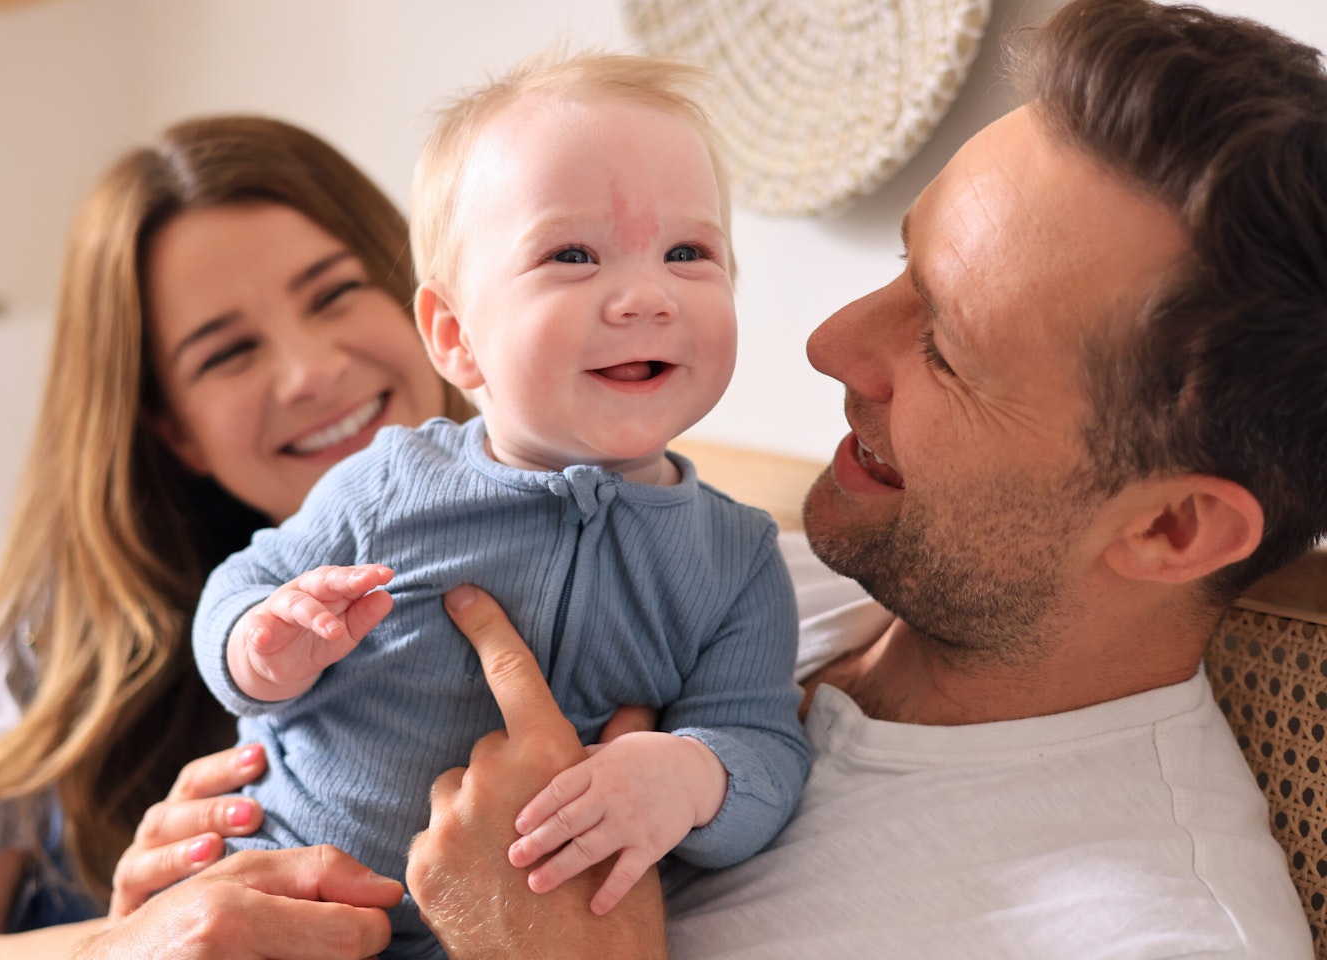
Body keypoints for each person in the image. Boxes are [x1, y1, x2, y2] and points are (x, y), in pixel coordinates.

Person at [402, 1, 1327, 957]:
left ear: (1172, 527)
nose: (828, 344)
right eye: (902, 259)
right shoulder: (731, 570)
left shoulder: (1148, 937)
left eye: (945, 347)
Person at [191, 52, 809, 958]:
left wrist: (691, 774)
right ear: (455, 336)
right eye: (572, 255)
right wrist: (260, 643)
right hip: (290, 899)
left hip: (509, 931)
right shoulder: (387, 483)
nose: (646, 296)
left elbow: (764, 742)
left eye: (689, 252)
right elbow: (244, 583)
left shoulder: (739, 556)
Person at [0, 113, 472, 956]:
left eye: (336, 292)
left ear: (428, 302)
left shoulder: (617, 546)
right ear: (175, 431)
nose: (310, 371)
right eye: (227, 353)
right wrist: (123, 945)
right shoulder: (73, 632)